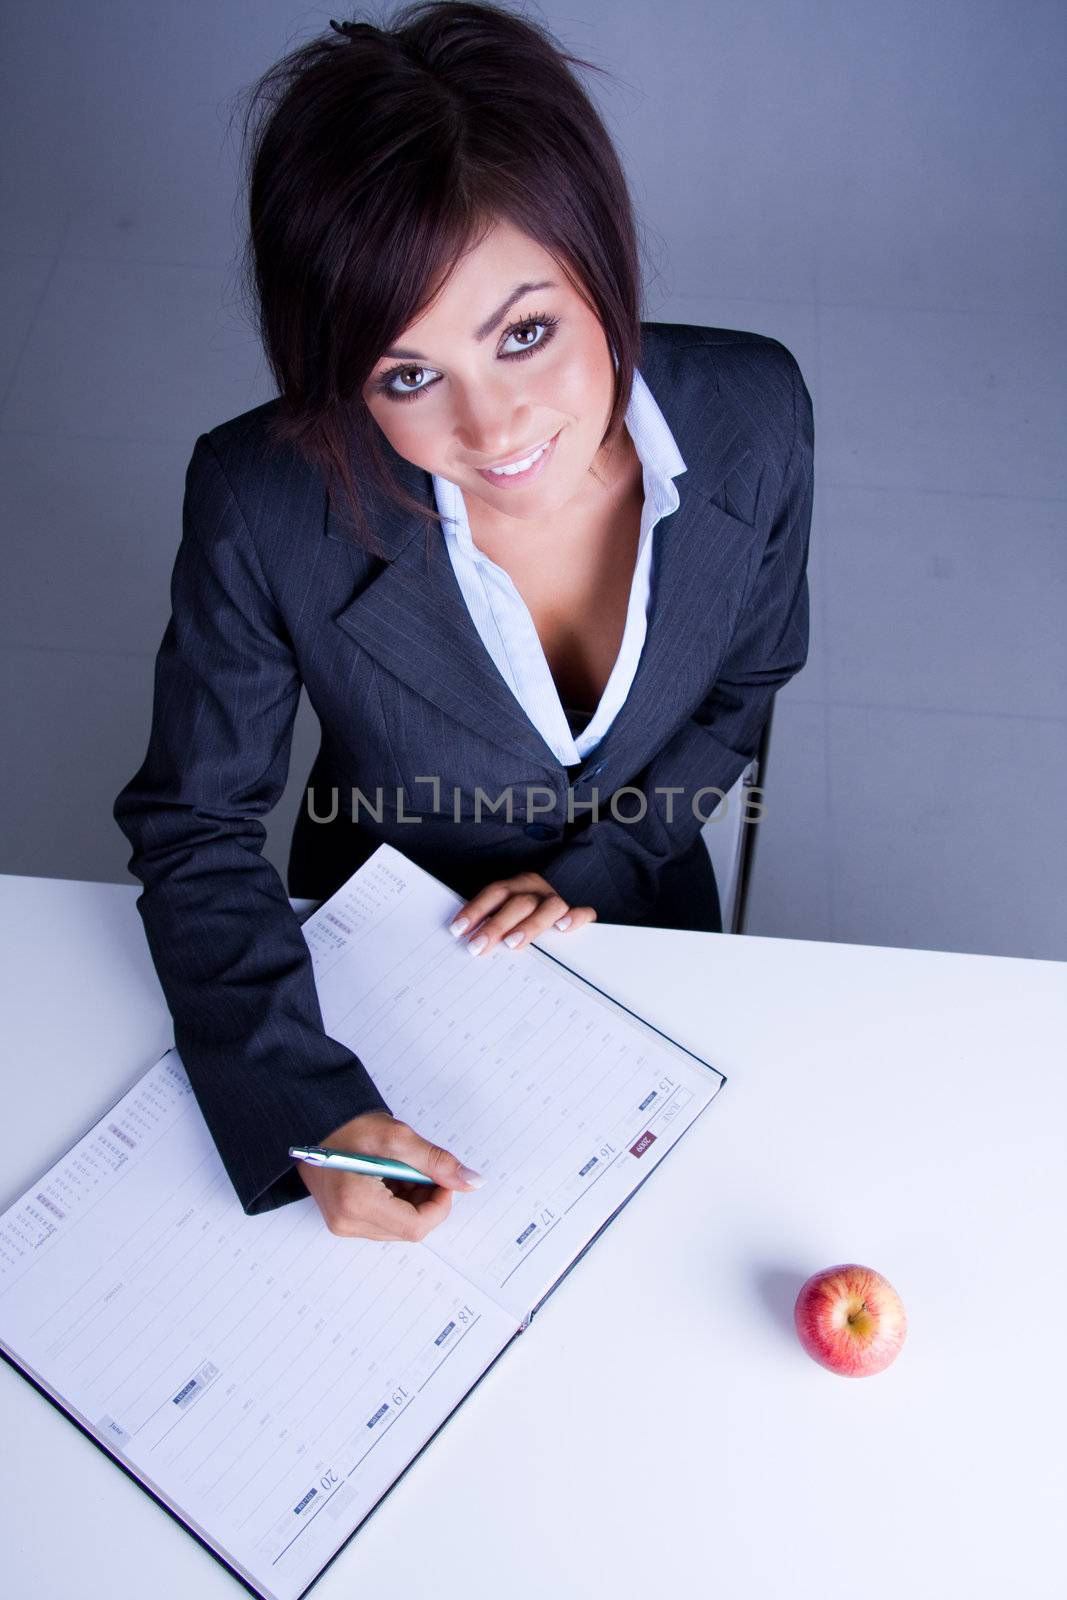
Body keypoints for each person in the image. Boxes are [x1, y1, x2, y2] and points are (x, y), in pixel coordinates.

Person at [113, 1, 814, 1242]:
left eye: (525, 333)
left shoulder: (755, 413)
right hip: (382, 940)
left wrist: (594, 867)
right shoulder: (260, 498)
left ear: (601, 258)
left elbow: (744, 683)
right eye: (406, 374)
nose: (493, 433)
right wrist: (305, 1106)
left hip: (640, 904)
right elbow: (194, 824)